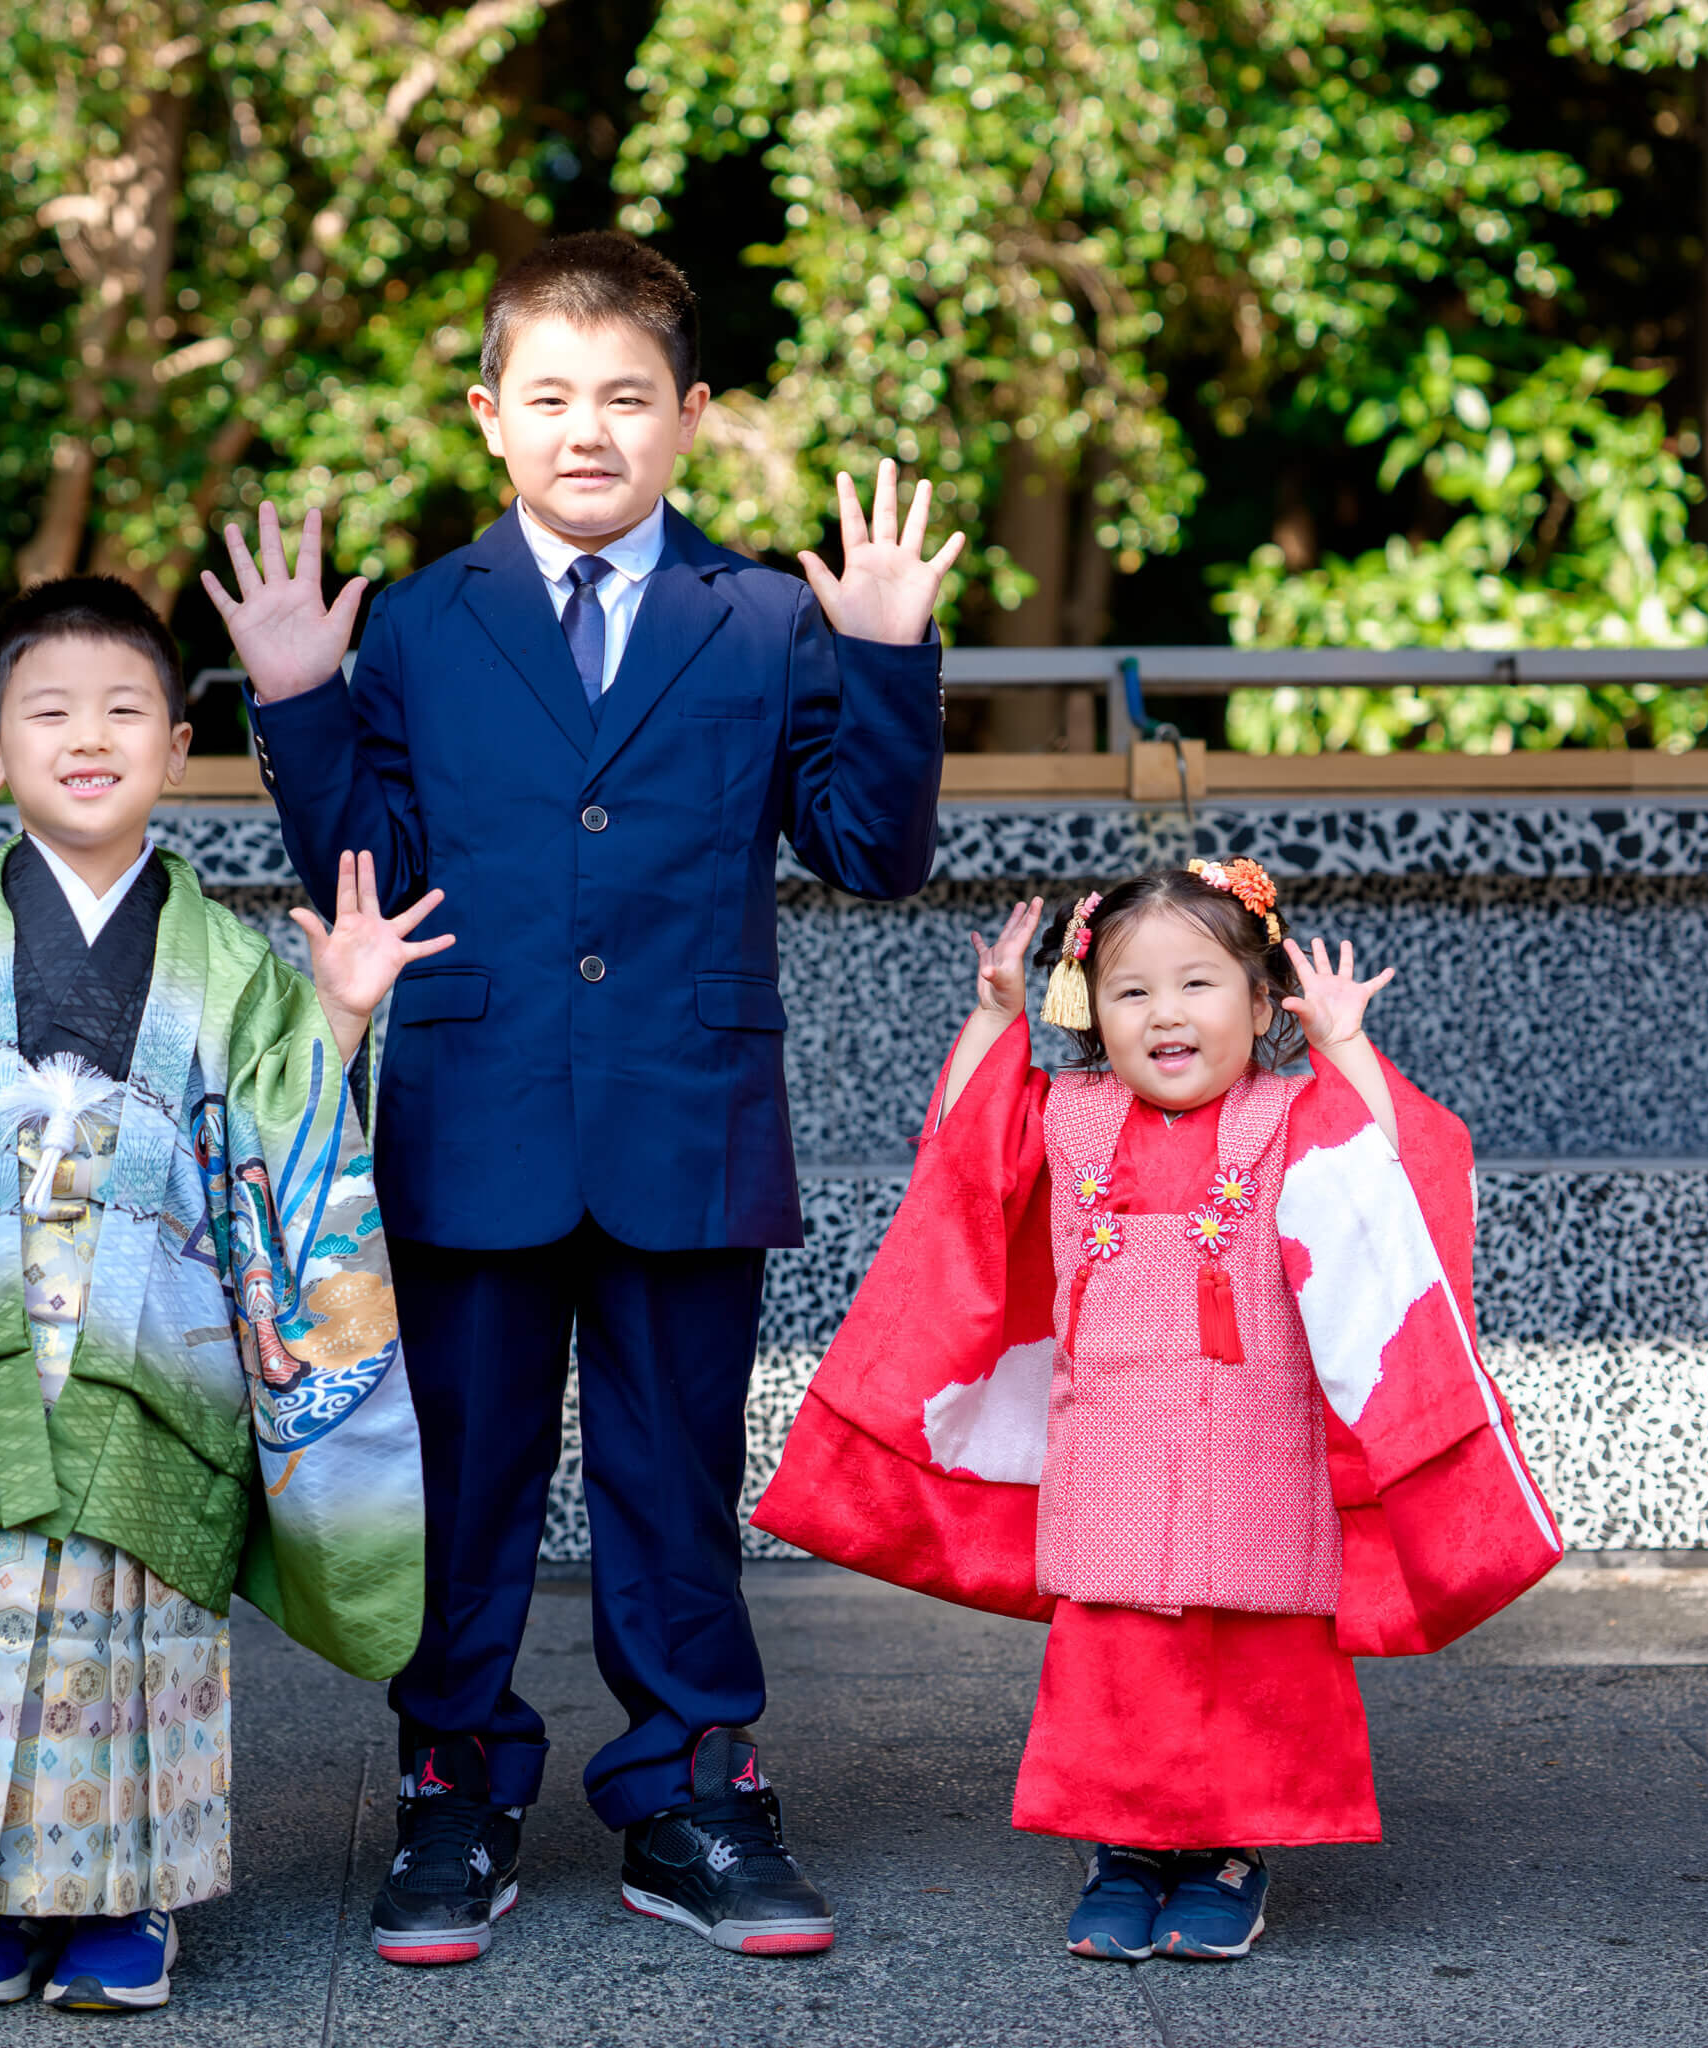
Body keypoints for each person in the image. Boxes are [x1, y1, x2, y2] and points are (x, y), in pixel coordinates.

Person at [200, 230, 961, 1966]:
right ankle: (452, 1789)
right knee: (457, 1478)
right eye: (548, 396)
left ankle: (694, 1789)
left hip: (690, 1119)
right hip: (469, 1116)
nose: (588, 429)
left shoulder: (768, 616)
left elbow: (873, 851)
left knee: (676, 1479)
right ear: (488, 414)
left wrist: (895, 654)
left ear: (694, 416)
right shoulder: (414, 623)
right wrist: (305, 698)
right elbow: (357, 876)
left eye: (628, 396)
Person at [0, 576, 440, 2012]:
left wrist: (342, 1012)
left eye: (125, 711)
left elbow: (291, 1153)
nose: (87, 736)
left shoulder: (235, 963)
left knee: (133, 1636)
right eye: (49, 712)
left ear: (179, 746)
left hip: (150, 1360)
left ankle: (130, 1903)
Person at [755, 859, 1563, 1962]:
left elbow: (1403, 1181)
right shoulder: (1069, 1115)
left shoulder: (1297, 1114)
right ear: (1088, 1008)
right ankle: (1124, 1847)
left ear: (1260, 995)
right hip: (1114, 1453)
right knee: (1118, 1653)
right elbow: (964, 1163)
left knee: (1258, 1653)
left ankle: (1230, 1848)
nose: (1167, 1012)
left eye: (1199, 982)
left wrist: (1344, 1047)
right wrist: (994, 1020)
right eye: (1132, 989)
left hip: (1261, 1449)